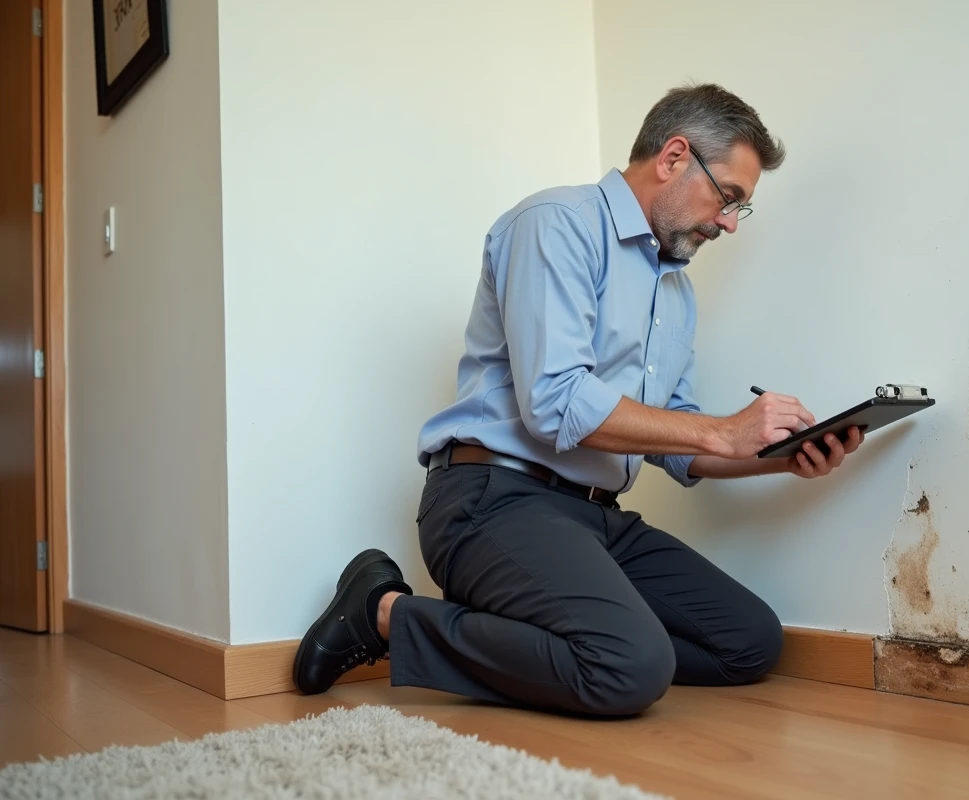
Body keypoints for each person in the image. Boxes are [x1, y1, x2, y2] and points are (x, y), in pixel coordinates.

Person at [292, 83, 863, 716]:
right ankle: (383, 614)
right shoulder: (556, 224)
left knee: (749, 643)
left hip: (596, 518)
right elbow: (555, 402)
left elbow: (677, 443)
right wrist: (723, 431)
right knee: (631, 666)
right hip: (492, 502)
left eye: (739, 209)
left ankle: (562, 632)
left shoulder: (676, 293)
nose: (728, 222)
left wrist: (778, 456)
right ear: (674, 157)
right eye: (728, 197)